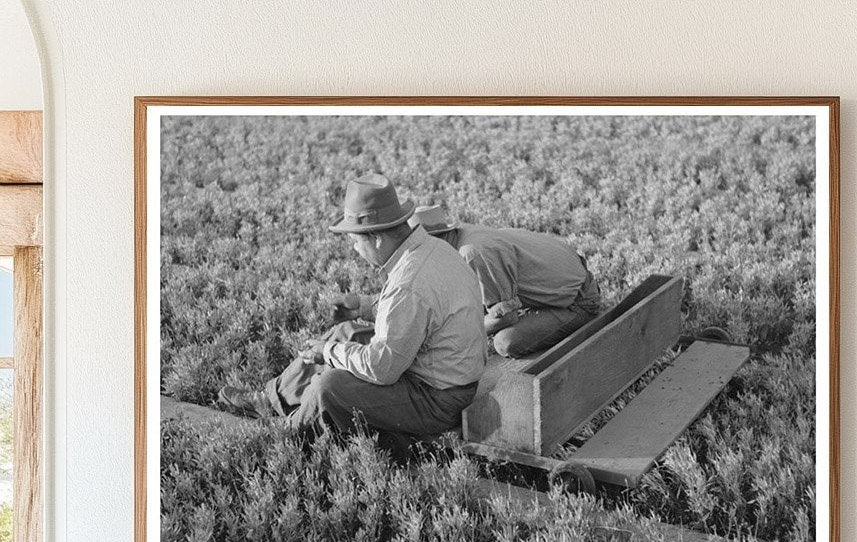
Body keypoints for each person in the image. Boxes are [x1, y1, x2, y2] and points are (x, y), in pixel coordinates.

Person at [218, 175, 486, 452]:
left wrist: (329, 352)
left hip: (437, 399)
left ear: (377, 238)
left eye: (356, 242)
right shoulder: (431, 249)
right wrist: (364, 307)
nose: (356, 250)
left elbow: (382, 369)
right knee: (347, 332)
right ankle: (270, 400)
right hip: (441, 370)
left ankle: (285, 437)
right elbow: (422, 313)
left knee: (331, 386)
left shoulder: (408, 284)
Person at [408, 203, 601, 358]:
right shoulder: (464, 235)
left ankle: (578, 322)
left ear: (435, 241)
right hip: (567, 280)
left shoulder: (473, 253)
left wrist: (451, 336)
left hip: (579, 301)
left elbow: (508, 318)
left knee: (504, 342)